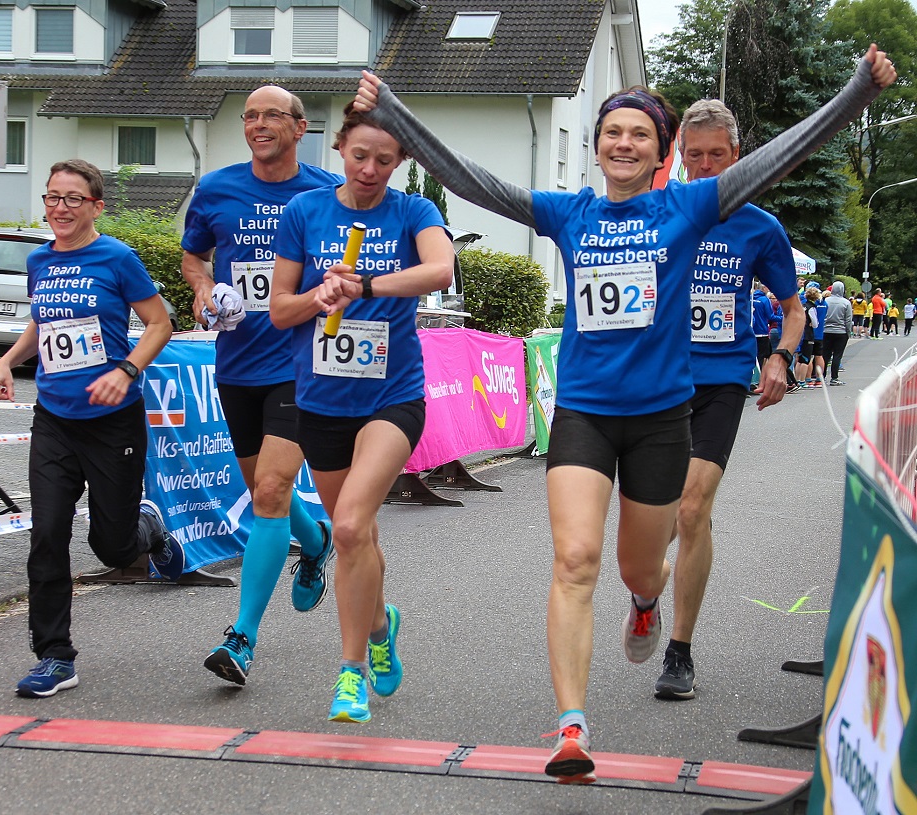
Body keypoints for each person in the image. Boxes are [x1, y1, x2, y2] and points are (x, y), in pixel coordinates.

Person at [355, 44, 895, 783]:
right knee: (575, 560)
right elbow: (471, 180)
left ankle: (646, 600)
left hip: (662, 418)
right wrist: (395, 117)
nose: (623, 143)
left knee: (639, 563)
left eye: (640, 134)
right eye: (613, 131)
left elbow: (778, 157)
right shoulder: (567, 212)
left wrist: (858, 91)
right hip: (583, 410)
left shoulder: (690, 205)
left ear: (660, 152)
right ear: (599, 146)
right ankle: (572, 724)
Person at [269, 102, 454, 724]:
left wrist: (367, 287)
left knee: (347, 528)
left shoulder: (413, 212)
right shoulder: (305, 212)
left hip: (391, 397)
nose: (370, 168)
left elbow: (440, 269)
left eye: (384, 159)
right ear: (340, 152)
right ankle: (380, 625)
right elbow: (278, 312)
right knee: (358, 538)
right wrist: (317, 295)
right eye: (359, 156)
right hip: (320, 400)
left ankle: (349, 676)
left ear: (400, 161)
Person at [0, 159, 173, 698]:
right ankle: (54, 656)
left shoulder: (117, 257)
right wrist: (7, 362)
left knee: (112, 548)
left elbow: (160, 323)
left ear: (96, 206)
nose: (59, 208)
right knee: (46, 534)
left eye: (72, 198)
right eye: (51, 198)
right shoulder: (40, 260)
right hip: (55, 420)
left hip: (113, 421)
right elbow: (43, 322)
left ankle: (149, 530)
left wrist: (127, 370)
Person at [181, 85, 344, 686]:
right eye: (249, 116)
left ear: (301, 128)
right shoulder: (218, 188)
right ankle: (316, 538)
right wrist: (202, 289)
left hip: (302, 364)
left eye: (271, 115)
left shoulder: (327, 193)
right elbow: (194, 257)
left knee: (271, 491)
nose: (257, 124)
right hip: (238, 364)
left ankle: (242, 637)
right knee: (262, 488)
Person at [652, 99, 803, 702]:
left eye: (719, 154)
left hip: (718, 382)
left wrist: (780, 357)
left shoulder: (759, 226)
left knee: (693, 509)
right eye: (696, 155)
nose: (708, 165)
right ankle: (646, 591)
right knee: (654, 524)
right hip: (657, 381)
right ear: (679, 158)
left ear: (737, 156)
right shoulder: (654, 212)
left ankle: (680, 652)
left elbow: (793, 312)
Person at [823, 282, 852, 386]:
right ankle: (834, 377)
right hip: (841, 331)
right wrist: (848, 332)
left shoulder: (826, 301)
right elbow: (848, 320)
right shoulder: (846, 303)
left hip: (826, 331)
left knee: (825, 355)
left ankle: (822, 377)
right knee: (837, 355)